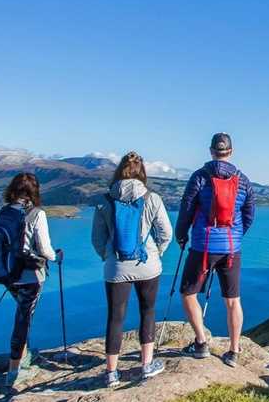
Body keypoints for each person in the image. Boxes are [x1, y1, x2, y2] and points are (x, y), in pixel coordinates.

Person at [92, 151, 173, 387]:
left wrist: (109, 257)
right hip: (147, 266)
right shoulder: (152, 198)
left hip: (116, 267)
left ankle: (111, 372)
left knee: (115, 317)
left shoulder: (104, 200)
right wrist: (156, 253)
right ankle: (147, 365)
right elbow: (166, 233)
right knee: (147, 311)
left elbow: (97, 238)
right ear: (142, 173)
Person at [175, 133, 256, 368]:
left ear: (211, 151)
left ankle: (201, 343)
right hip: (231, 248)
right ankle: (234, 350)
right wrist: (236, 236)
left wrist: (182, 236)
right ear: (230, 152)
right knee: (233, 300)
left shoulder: (199, 177)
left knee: (189, 293)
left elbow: (186, 209)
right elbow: (249, 215)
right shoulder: (243, 181)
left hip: (203, 246)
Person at [2, 172, 61, 388]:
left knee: (22, 314)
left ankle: (21, 357)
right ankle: (15, 370)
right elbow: (44, 248)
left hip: (7, 274)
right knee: (24, 319)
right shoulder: (36, 213)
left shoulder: (5, 211)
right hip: (29, 274)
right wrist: (56, 256)